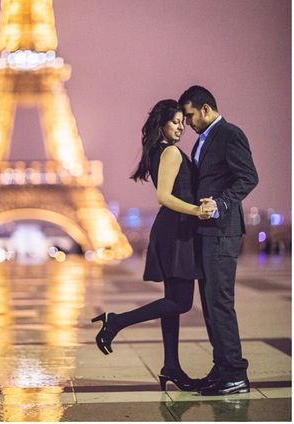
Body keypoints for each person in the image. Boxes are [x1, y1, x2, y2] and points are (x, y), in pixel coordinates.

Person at [91, 99, 214, 391]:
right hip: (178, 231)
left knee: (172, 302)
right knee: (181, 302)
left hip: (173, 230)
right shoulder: (170, 151)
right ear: (161, 123)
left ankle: (171, 366)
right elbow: (164, 197)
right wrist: (198, 210)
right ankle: (116, 321)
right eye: (175, 122)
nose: (180, 127)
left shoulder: (160, 150)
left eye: (183, 123)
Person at [178, 85, 258, 396]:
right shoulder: (203, 140)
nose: (187, 123)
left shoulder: (229, 134)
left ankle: (236, 373)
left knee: (220, 302)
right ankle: (222, 366)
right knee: (210, 304)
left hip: (222, 230)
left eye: (190, 115)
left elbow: (249, 176)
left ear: (206, 109)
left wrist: (221, 204)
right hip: (206, 232)